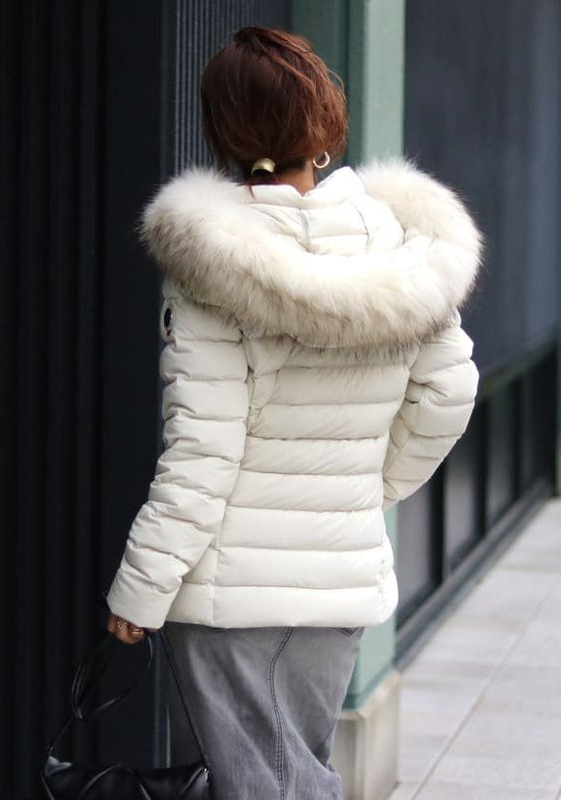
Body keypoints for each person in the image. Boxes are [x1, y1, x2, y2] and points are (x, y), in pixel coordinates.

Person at [105, 26, 481, 800]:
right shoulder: (400, 246)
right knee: (292, 775)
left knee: (263, 784)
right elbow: (448, 393)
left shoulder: (217, 259)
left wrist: (140, 590)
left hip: (233, 593)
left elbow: (201, 455)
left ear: (225, 127)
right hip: (336, 581)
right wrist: (359, 491)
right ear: (323, 117)